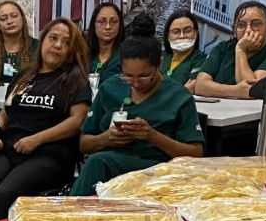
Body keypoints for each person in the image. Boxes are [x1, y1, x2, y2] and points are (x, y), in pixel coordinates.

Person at [0, 18, 91, 221]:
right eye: (53, 38)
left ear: (71, 50)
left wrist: (36, 140)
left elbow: (76, 121)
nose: (58, 45)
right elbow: (6, 112)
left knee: (5, 195)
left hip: (50, 155)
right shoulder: (25, 76)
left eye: (66, 42)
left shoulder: (76, 80)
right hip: (12, 150)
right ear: (43, 40)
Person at [72, 34, 205, 193]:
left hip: (156, 170)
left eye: (144, 76)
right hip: (109, 162)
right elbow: (84, 144)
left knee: (98, 162)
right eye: (128, 76)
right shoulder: (110, 88)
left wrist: (153, 136)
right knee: (97, 162)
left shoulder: (179, 97)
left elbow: (196, 154)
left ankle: (69, 206)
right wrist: (106, 138)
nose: (135, 83)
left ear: (158, 64)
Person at [191, 1, 266, 97]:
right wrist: (235, 91)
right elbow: (200, 86)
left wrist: (241, 50)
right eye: (241, 25)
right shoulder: (222, 48)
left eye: (256, 24)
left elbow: (253, 90)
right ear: (234, 30)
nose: (248, 30)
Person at [158, 13, 207, 90]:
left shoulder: (202, 61)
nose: (182, 36)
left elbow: (190, 88)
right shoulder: (160, 57)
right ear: (168, 35)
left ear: (195, 33)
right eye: (176, 32)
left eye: (187, 31)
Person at [86, 1, 126, 83]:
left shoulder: (126, 56)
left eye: (113, 22)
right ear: (93, 24)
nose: (108, 27)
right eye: (101, 22)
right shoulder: (83, 54)